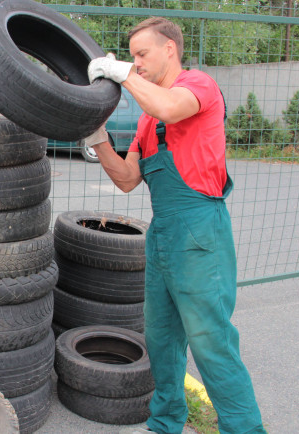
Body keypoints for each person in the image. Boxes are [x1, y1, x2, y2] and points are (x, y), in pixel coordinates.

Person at [86, 17, 266, 434]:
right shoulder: (148, 121)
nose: (137, 63)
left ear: (170, 49)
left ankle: (244, 429)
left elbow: (167, 105)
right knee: (162, 341)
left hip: (200, 232)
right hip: (163, 235)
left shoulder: (198, 86)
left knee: (211, 343)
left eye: (142, 55)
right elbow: (128, 179)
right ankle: (166, 422)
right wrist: (96, 137)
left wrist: (121, 73)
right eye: (132, 58)